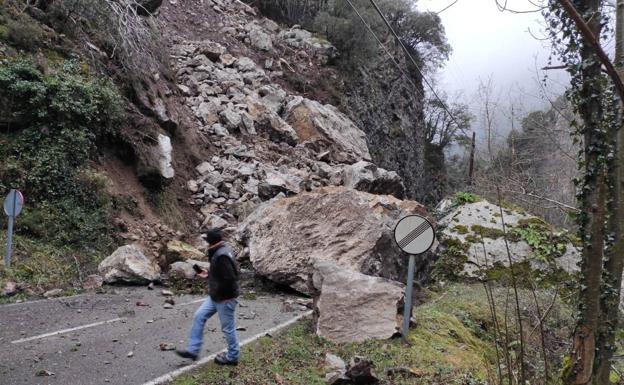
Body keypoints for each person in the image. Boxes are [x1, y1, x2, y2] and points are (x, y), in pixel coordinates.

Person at [176, 228, 240, 365]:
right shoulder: (221, 250)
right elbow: (222, 273)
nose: (205, 243)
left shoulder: (221, 255)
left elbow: (231, 278)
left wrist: (222, 293)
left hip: (225, 298)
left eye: (206, 241)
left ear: (211, 242)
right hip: (215, 296)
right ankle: (193, 350)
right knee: (199, 316)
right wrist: (208, 274)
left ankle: (233, 356)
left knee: (228, 329)